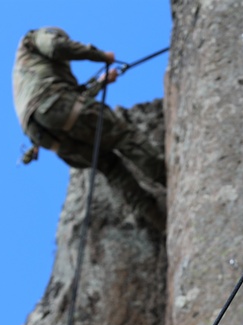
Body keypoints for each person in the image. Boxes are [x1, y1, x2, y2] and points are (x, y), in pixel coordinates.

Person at [13, 27, 165, 219]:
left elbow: (73, 107)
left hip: (48, 138)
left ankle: (158, 218)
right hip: (54, 107)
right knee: (123, 136)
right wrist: (100, 56)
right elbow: (57, 47)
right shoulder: (33, 39)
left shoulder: (31, 73)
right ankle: (170, 177)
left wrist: (101, 82)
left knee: (112, 168)